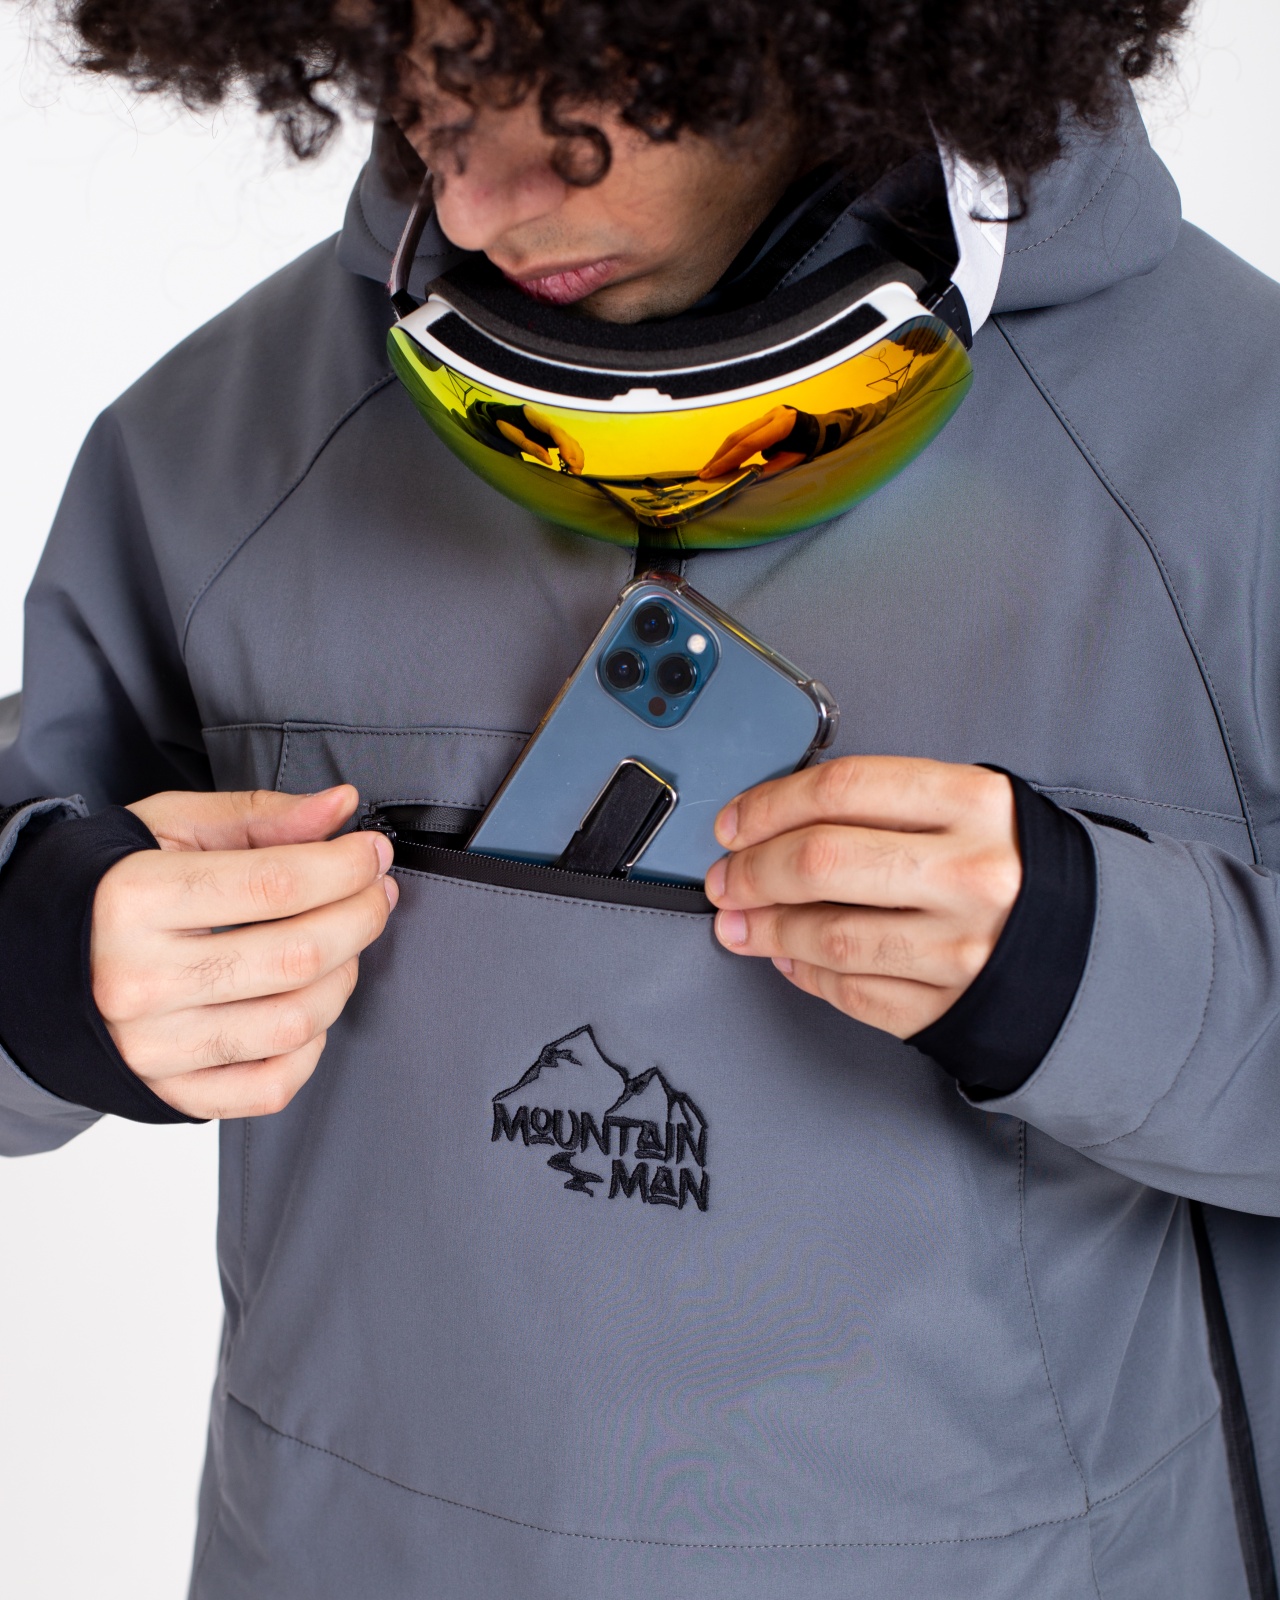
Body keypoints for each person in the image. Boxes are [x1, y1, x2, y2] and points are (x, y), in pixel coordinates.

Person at [3, 1, 1278, 1594]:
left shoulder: (1232, 444)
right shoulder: (226, 442)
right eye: (432, 100)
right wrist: (43, 957)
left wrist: (1089, 959)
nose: (477, 200)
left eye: (570, 110)